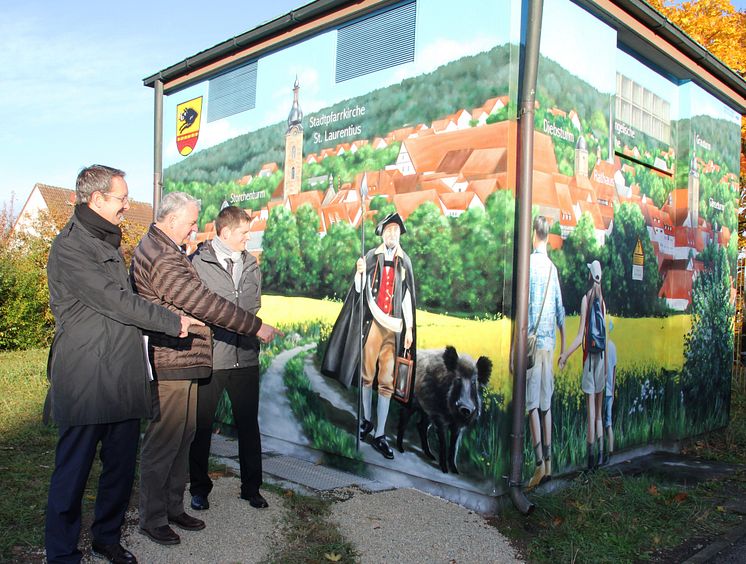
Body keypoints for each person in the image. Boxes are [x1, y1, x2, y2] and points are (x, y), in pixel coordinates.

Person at [44, 165, 203, 564]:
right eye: (121, 198)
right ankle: (61, 553)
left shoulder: (106, 241)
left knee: (119, 470)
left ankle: (107, 538)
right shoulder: (71, 247)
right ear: (96, 200)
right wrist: (172, 320)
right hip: (87, 379)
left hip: (122, 374)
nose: (127, 206)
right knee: (73, 473)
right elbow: (114, 301)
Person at [130, 192, 281, 546]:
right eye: (191, 222)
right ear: (170, 221)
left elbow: (197, 305)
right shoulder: (162, 254)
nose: (195, 229)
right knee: (165, 439)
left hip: (186, 358)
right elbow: (202, 302)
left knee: (182, 436)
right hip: (172, 357)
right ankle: (153, 517)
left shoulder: (171, 251)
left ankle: (172, 507)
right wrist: (255, 326)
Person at [188, 206, 269, 511]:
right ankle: (199, 489)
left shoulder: (252, 264)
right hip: (212, 359)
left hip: (246, 358)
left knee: (249, 426)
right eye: (244, 233)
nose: (249, 238)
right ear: (225, 233)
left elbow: (254, 305)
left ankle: (252, 488)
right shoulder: (198, 263)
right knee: (202, 426)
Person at [322, 212, 416, 460]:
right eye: (388, 231)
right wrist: (360, 272)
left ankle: (381, 434)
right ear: (382, 234)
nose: (392, 235)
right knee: (366, 375)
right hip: (373, 322)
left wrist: (410, 329)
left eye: (396, 231)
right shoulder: (371, 258)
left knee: (387, 382)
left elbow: (407, 297)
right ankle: (365, 421)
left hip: (394, 328)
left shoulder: (404, 262)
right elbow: (359, 290)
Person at [524, 216, 565, 489]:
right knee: (546, 404)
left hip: (534, 345)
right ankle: (550, 463)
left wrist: (517, 350)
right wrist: (563, 348)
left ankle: (538, 464)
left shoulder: (529, 264)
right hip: (549, 346)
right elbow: (561, 312)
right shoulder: (552, 269)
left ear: (533, 235)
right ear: (547, 237)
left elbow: (525, 310)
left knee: (531, 405)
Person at [559, 260, 607, 470]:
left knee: (590, 413)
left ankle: (589, 461)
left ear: (590, 276)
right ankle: (601, 457)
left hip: (589, 361)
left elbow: (580, 337)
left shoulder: (586, 299)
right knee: (599, 412)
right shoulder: (603, 302)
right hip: (602, 359)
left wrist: (565, 355)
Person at [603, 321, 617, 465]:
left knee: (600, 422)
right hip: (609, 392)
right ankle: (611, 451)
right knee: (609, 423)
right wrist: (612, 391)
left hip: (601, 391)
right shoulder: (613, 347)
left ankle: (600, 453)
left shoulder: (602, 347)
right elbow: (614, 371)